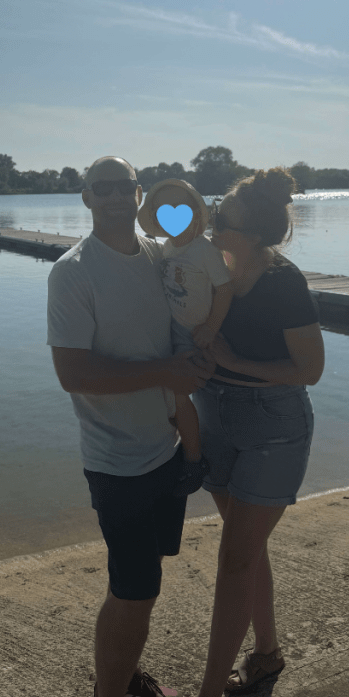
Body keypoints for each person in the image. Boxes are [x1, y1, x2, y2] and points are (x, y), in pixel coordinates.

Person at [47, 156, 214, 697]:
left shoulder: (156, 255)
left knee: (141, 586)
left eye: (125, 187)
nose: (117, 197)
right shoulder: (72, 272)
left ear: (138, 194)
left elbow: (187, 308)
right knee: (134, 590)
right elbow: (73, 373)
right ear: (87, 198)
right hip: (118, 463)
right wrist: (166, 373)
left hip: (166, 451)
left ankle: (122, 677)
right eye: (104, 189)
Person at [186, 167, 325, 697]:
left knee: (235, 560)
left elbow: (309, 371)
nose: (212, 221)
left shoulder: (283, 282)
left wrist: (237, 363)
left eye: (221, 217)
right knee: (246, 552)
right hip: (215, 415)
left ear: (248, 231)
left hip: (273, 425)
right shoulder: (209, 267)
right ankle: (265, 655)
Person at [137, 178, 234, 496]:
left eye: (182, 209)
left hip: (194, 331)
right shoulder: (167, 247)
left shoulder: (204, 249)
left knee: (179, 393)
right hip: (172, 325)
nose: (175, 216)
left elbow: (224, 288)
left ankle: (193, 459)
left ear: (196, 213)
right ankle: (177, 446)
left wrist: (212, 327)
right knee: (167, 391)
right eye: (165, 211)